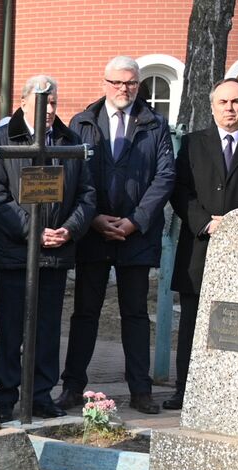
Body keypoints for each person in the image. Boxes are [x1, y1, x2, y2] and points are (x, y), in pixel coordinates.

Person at [59, 56, 174, 417]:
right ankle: (72, 387)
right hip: (93, 233)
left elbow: (165, 177)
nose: (124, 89)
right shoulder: (82, 123)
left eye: (131, 83)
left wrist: (135, 221)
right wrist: (92, 218)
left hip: (136, 236)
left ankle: (141, 390)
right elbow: (72, 176)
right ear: (104, 83)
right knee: (84, 314)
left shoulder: (155, 124)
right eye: (117, 82)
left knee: (135, 315)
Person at [0, 74, 95, 421]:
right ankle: (5, 399)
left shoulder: (68, 140)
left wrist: (68, 229)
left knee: (47, 329)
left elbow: (86, 194)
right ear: (23, 102)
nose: (48, 110)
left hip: (55, 252)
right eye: (41, 102)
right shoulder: (2, 138)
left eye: (54, 103)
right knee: (11, 328)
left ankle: (41, 396)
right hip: (16, 253)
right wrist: (33, 230)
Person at [168, 78, 238, 409]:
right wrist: (206, 222)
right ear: (212, 106)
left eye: (237, 102)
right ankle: (185, 390)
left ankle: (235, 394)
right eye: (223, 102)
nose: (230, 108)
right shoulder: (192, 144)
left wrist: (234, 224)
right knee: (192, 322)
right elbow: (180, 190)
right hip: (199, 246)